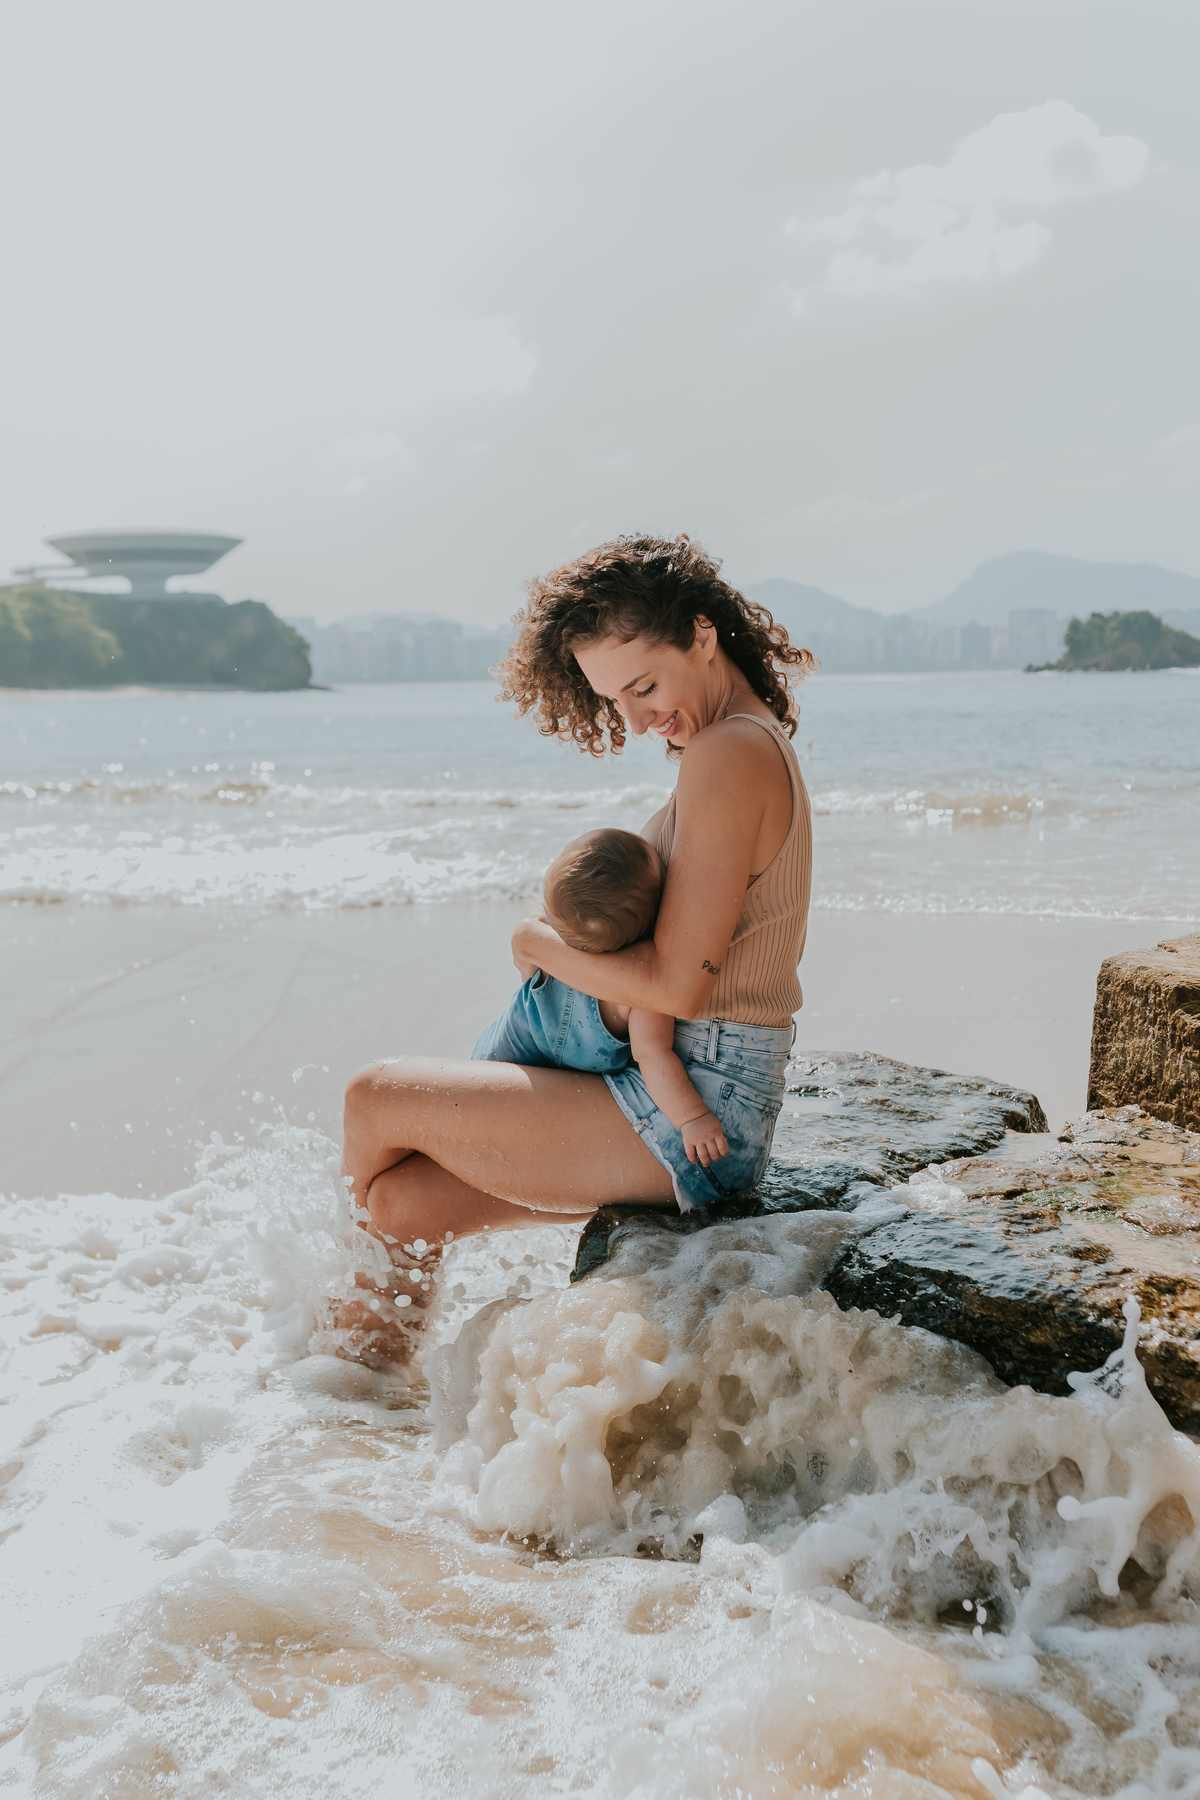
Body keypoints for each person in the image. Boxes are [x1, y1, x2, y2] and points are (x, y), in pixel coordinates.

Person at [339, 532, 814, 1366]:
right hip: (665, 1082)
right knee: (405, 1201)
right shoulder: (731, 740)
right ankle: (356, 1398)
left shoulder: (728, 750)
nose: (634, 720)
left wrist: (540, 944)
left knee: (375, 1097)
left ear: (702, 636)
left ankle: (335, 1354)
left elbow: (678, 986)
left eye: (643, 686)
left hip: (697, 1100)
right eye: (614, 700)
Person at [472, 825, 731, 1185]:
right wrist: (691, 1118)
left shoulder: (540, 935)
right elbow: (654, 1058)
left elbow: (526, 975)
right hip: (564, 1087)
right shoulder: (639, 993)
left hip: (505, 1055)